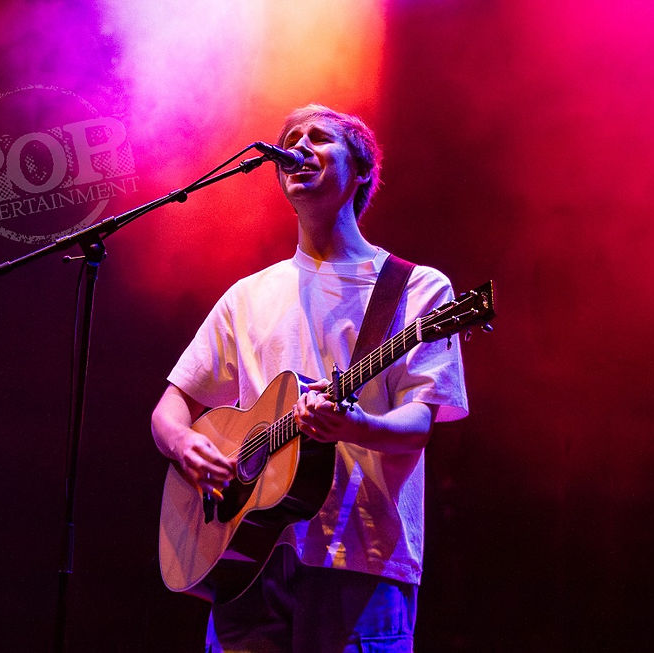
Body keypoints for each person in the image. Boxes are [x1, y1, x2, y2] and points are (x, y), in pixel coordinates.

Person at [151, 104, 469, 652]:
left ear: (362, 170)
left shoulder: (417, 290)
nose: (297, 146)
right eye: (289, 138)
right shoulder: (248, 296)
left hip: (361, 555)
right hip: (245, 559)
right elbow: (170, 408)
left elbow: (418, 425)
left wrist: (354, 424)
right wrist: (186, 446)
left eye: (318, 138)